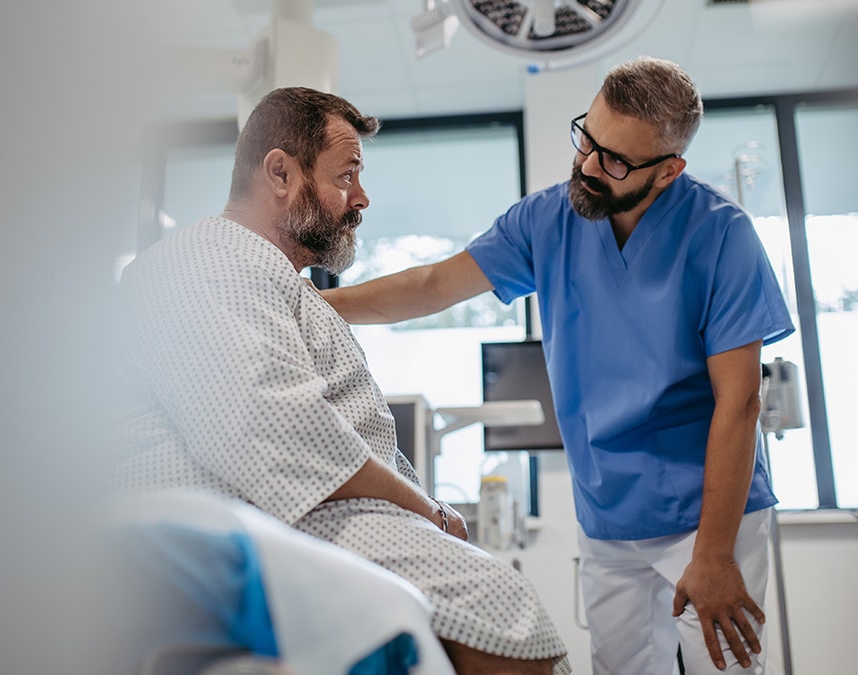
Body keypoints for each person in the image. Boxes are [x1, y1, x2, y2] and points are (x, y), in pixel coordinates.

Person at [322, 57, 796, 674]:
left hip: (708, 515)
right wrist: (314, 303)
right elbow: (436, 284)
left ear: (669, 171)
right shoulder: (548, 219)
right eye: (587, 140)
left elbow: (740, 402)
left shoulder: (721, 235)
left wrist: (713, 552)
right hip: (607, 513)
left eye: (616, 161)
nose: (589, 166)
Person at [113, 86, 570, 675]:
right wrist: (430, 514)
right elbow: (277, 434)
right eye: (346, 174)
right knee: (498, 602)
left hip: (303, 513)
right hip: (252, 523)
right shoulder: (211, 258)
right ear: (280, 172)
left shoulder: (275, 279)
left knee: (497, 593)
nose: (362, 197)